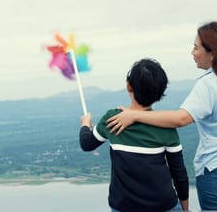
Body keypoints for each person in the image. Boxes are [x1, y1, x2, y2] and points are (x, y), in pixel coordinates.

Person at [107, 21, 217, 210]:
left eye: (196, 47)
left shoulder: (209, 84)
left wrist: (134, 116)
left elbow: (181, 119)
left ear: (213, 53)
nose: (192, 53)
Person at [79, 58, 190, 212]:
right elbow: (179, 174)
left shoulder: (112, 119)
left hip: (124, 207)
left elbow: (86, 143)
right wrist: (185, 208)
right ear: (160, 92)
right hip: (164, 206)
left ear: (128, 86)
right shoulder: (166, 126)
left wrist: (85, 123)